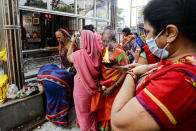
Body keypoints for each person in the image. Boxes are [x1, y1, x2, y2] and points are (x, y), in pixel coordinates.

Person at [111, 0, 196, 130]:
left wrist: (132, 73)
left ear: (170, 33)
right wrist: (151, 67)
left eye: (148, 32)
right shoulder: (177, 62)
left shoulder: (179, 80)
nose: (146, 39)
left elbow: (118, 123)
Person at [91, 29, 128, 131]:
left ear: (114, 41)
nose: (104, 43)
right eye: (103, 41)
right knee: (104, 111)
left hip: (115, 89)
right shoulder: (102, 52)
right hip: (104, 88)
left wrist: (112, 87)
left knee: (113, 111)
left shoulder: (120, 53)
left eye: (107, 41)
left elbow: (125, 73)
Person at [67, 30, 100, 131]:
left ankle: (85, 127)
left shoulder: (78, 54)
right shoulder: (98, 54)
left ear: (84, 40)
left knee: (82, 110)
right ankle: (92, 127)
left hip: (81, 87)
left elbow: (68, 57)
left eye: (81, 38)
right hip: (94, 88)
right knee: (91, 110)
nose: (80, 39)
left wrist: (72, 42)